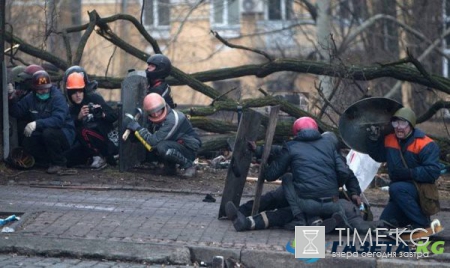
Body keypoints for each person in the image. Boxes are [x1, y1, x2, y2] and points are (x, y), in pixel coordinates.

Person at [225, 118, 356, 232]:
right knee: (277, 202)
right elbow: (345, 172)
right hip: (332, 200)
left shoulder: (294, 147)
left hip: (304, 198)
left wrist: (264, 166)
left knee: (279, 202)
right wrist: (344, 188)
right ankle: (322, 222)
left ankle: (247, 220)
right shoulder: (329, 147)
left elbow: (272, 173)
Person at [366, 107, 441, 229]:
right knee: (384, 223)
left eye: (403, 123)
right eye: (396, 123)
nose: (399, 127)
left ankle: (423, 224)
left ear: (411, 125)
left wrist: (409, 173)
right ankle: (410, 220)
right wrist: (373, 141)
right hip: (400, 193)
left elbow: (433, 172)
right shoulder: (390, 139)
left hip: (421, 190)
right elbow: (379, 156)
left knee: (396, 188)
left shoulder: (425, 144)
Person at [8, 70, 76, 174]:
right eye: (40, 89)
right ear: (35, 89)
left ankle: (59, 163)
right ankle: (44, 161)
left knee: (48, 133)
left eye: (46, 89)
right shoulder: (31, 98)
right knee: (28, 137)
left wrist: (36, 123)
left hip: (64, 133)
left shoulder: (57, 98)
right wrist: (11, 97)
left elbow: (58, 120)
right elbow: (16, 112)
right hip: (44, 131)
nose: (43, 91)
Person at [125, 93, 201, 177]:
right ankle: (170, 168)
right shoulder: (154, 120)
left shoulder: (172, 120)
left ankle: (189, 165)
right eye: (152, 112)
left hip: (189, 149)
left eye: (158, 110)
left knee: (161, 147)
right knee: (157, 146)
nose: (156, 114)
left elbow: (153, 141)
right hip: (176, 144)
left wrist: (138, 129)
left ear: (163, 107)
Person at [65, 72, 118, 168]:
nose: (78, 95)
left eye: (80, 91)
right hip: (87, 144)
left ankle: (100, 157)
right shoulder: (72, 109)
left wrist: (102, 114)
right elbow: (69, 128)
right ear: (69, 94)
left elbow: (114, 115)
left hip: (107, 138)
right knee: (68, 158)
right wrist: (79, 118)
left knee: (83, 131)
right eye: (74, 93)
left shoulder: (94, 98)